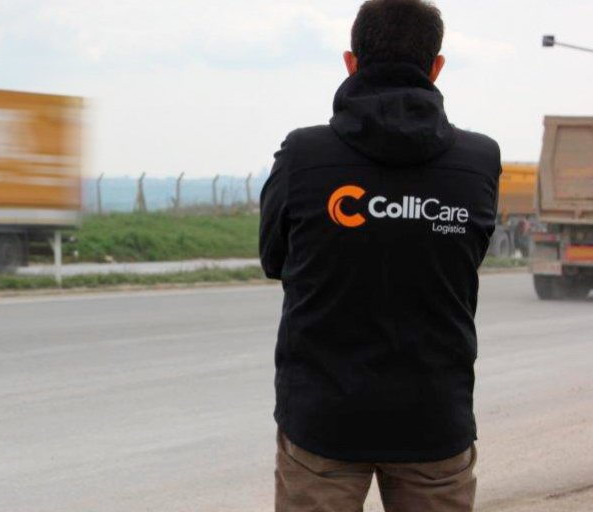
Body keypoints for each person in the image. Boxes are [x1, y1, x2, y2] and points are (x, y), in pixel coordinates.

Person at [258, 0, 501, 510]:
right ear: (436, 68)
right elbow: (463, 259)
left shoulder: (302, 156)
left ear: (351, 62)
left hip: (322, 420)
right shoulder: (479, 161)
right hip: (434, 420)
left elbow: (274, 259)